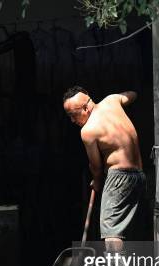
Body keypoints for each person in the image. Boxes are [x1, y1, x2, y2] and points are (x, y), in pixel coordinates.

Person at [62, 86, 145, 251]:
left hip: (119, 178)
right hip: (139, 176)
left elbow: (96, 166)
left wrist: (97, 181)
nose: (72, 121)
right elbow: (133, 94)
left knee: (111, 230)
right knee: (132, 229)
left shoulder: (88, 130)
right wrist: (117, 99)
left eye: (73, 115)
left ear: (86, 107)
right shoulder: (112, 100)